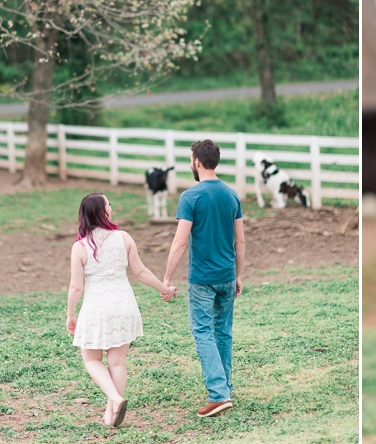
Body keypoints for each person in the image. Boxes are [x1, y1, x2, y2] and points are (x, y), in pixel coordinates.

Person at [66, 192, 177, 427]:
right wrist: (164, 288)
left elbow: (76, 286)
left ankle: (115, 399)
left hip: (96, 308)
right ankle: (111, 414)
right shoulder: (123, 237)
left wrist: (70, 314)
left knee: (91, 360)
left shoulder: (80, 247)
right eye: (109, 204)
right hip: (124, 306)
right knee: (117, 363)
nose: (111, 207)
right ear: (102, 212)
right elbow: (141, 272)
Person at [163, 139, 245, 418]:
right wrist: (238, 275)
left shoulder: (191, 197)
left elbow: (179, 242)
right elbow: (240, 242)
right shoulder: (232, 195)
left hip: (202, 279)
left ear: (196, 162)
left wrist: (167, 278)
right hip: (226, 276)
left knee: (203, 332)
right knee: (223, 332)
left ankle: (219, 394)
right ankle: (225, 389)